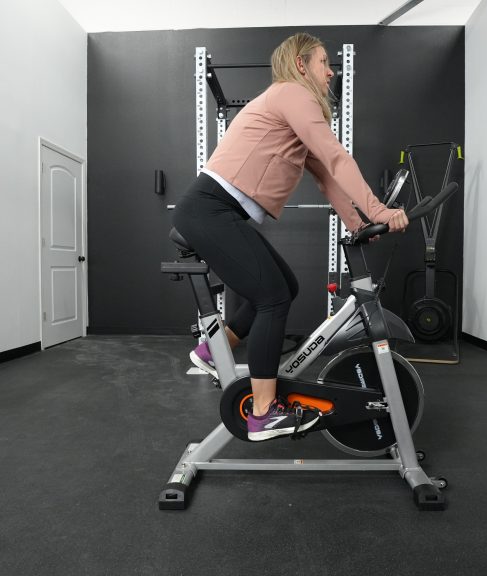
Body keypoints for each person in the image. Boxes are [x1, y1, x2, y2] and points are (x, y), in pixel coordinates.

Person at [172, 32, 408, 441]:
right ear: (301, 65)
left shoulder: (292, 104)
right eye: (322, 62)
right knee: (272, 297)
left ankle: (213, 349)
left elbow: (327, 174)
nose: (330, 71)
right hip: (208, 208)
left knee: (287, 286)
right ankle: (263, 413)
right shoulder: (292, 94)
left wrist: (357, 224)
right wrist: (378, 211)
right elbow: (338, 157)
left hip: (218, 211)